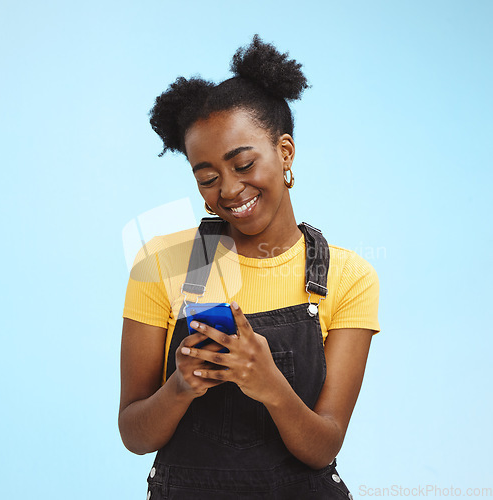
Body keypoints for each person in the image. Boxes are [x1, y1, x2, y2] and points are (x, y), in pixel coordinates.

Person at [119, 34, 380, 499]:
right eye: (208, 178)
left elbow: (323, 447)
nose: (230, 190)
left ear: (284, 152)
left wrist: (268, 382)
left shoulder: (347, 277)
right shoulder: (162, 264)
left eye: (243, 164)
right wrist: (180, 386)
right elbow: (135, 435)